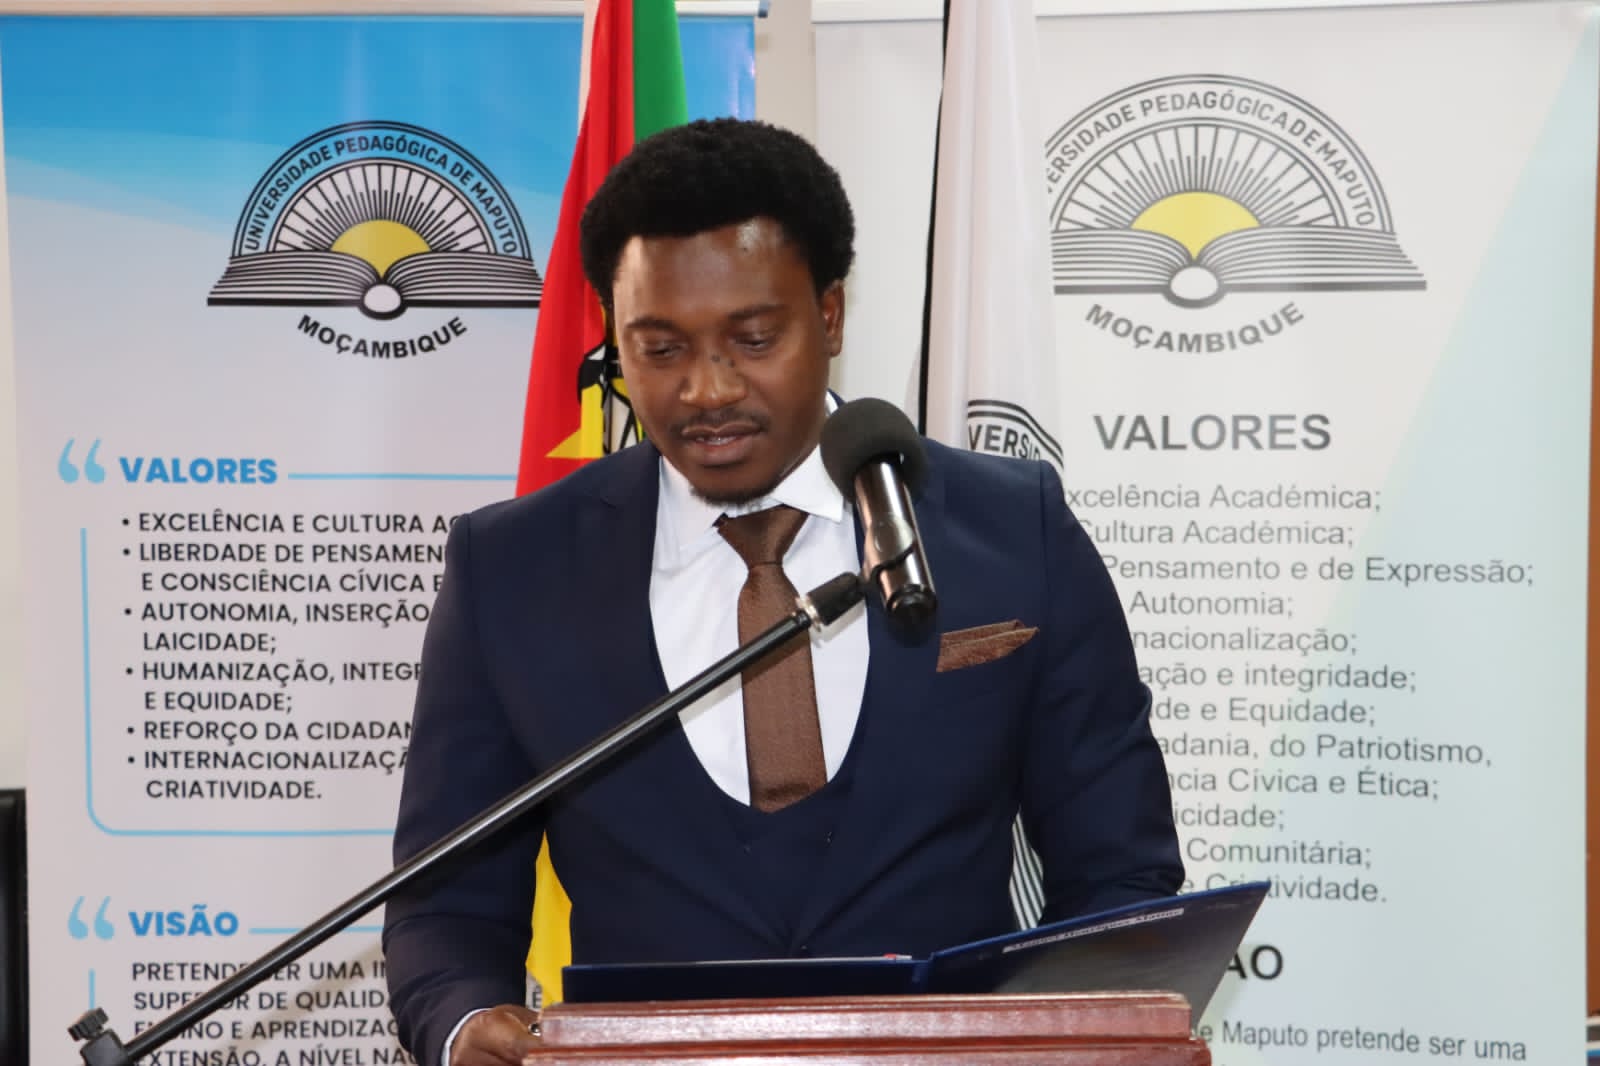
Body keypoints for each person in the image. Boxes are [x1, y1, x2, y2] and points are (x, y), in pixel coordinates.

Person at [382, 117, 1182, 1066]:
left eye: (753, 338)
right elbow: (445, 904)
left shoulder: (1012, 531)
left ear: (830, 315)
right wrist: (465, 1022)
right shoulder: (512, 567)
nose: (708, 389)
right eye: (661, 350)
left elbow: (1119, 872)